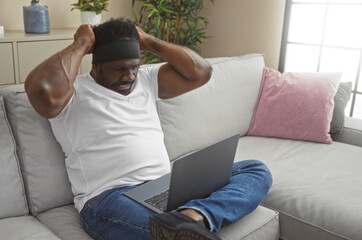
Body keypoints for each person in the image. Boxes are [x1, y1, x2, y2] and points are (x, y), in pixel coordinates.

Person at [25, 18, 272, 240]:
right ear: (96, 63)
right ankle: (181, 226)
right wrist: (81, 42)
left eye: (134, 66)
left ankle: (193, 216)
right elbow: (41, 91)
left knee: (255, 170)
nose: (130, 76)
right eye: (119, 69)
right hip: (109, 198)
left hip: (169, 186)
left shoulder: (147, 79)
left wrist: (147, 40)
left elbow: (201, 73)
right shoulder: (71, 92)